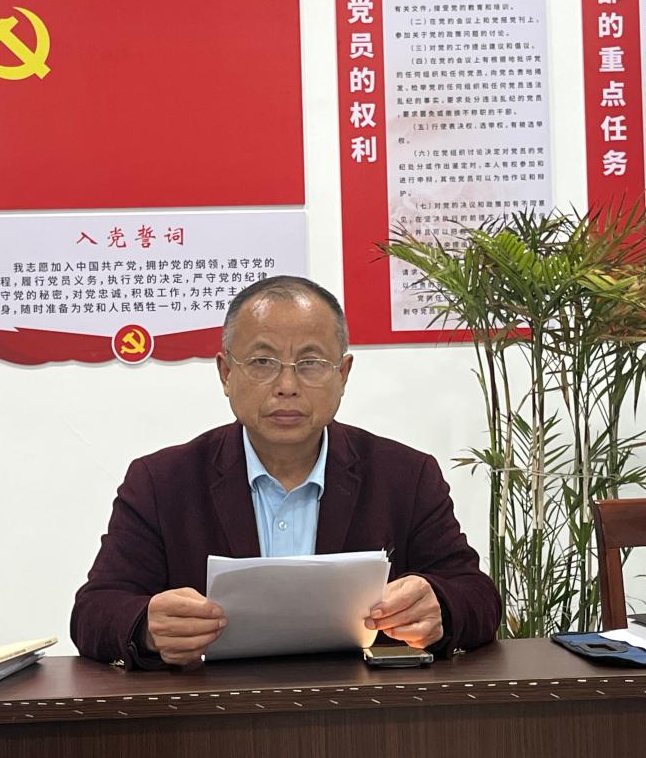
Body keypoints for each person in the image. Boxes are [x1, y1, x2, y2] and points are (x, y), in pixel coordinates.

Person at [70, 276, 501, 668]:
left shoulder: (405, 476)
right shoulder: (162, 482)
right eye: (262, 362)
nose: (287, 386)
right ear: (225, 373)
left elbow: (477, 596)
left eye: (311, 363)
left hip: (362, 709)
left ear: (343, 374)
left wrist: (440, 606)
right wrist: (146, 627)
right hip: (212, 711)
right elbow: (94, 611)